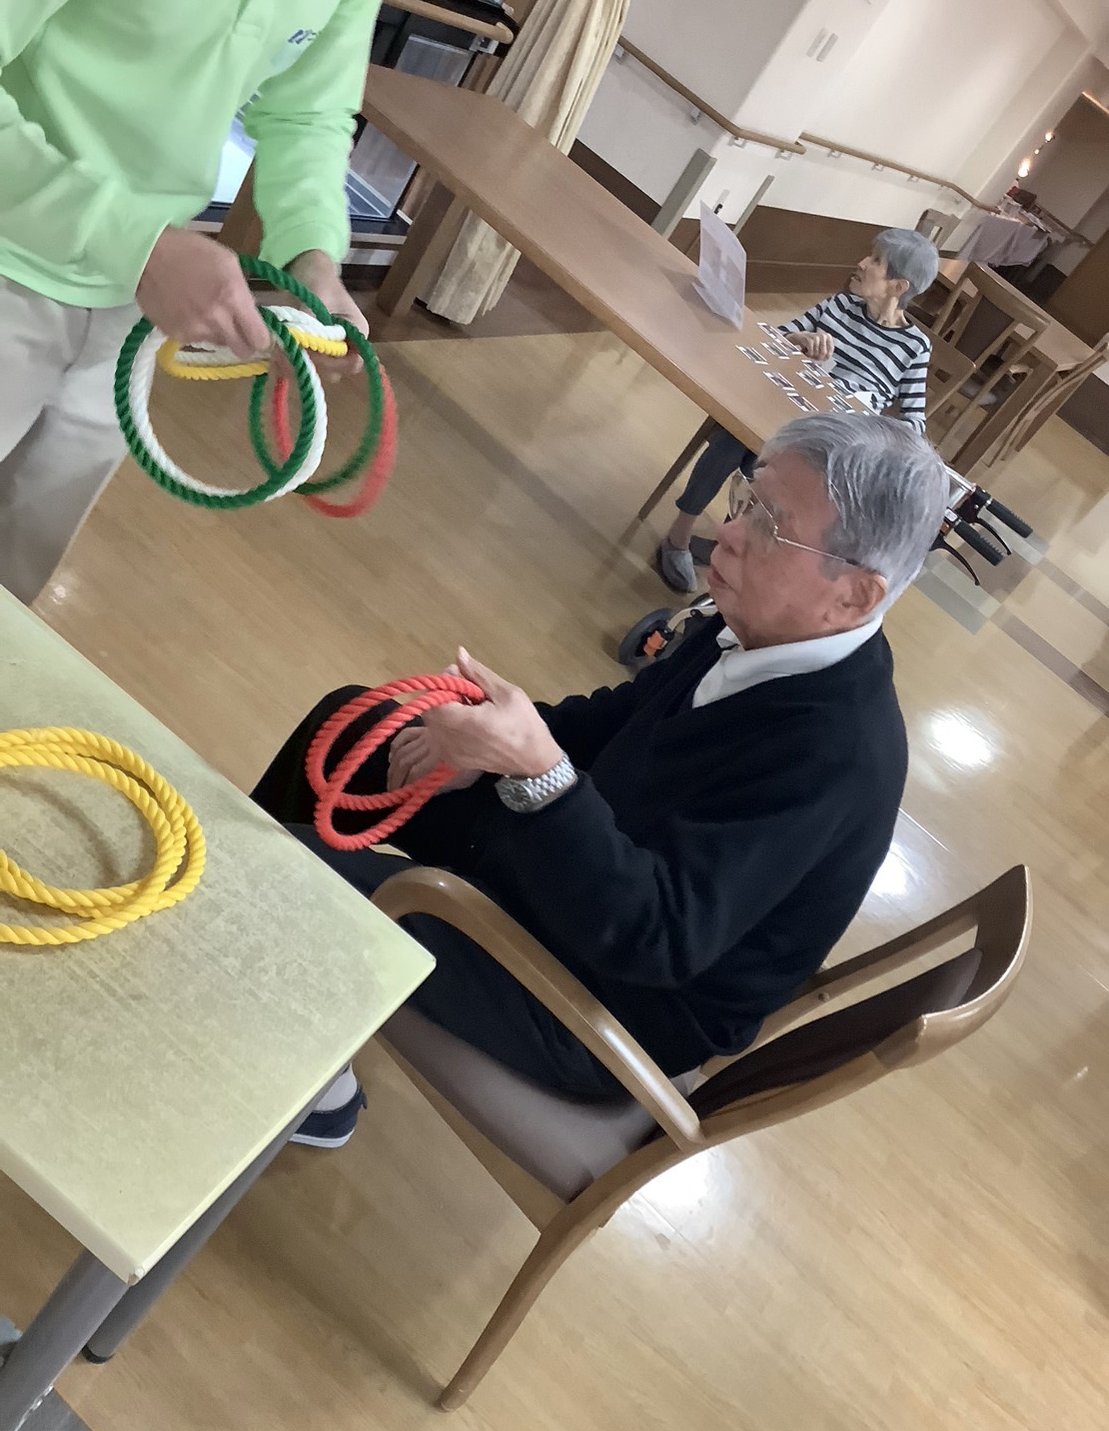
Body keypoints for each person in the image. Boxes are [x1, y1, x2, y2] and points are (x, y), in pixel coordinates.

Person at [252, 413, 950, 1148]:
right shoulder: (755, 625)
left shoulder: (836, 755)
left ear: (854, 596)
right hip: (588, 881)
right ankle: (249, 968)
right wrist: (492, 743)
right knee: (354, 728)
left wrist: (537, 772)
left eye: (771, 526)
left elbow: (656, 937)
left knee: (292, 872)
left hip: (603, 1002)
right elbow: (611, 719)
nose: (727, 532)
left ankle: (313, 1086)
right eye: (746, 500)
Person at [0, 1, 377, 606]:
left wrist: (311, 255)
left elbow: (309, 115)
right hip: (22, 243)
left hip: (128, 307)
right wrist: (136, 245)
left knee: (23, 560)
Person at [656, 227, 940, 593]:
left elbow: (914, 423)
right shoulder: (839, 305)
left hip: (829, 444)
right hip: (778, 411)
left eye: (876, 261)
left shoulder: (915, 347)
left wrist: (872, 421)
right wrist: (798, 339)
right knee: (735, 438)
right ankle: (680, 537)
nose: (861, 263)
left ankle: (731, 544)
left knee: (769, 461)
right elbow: (770, 337)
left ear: (897, 286)